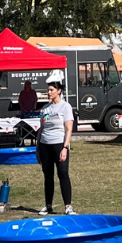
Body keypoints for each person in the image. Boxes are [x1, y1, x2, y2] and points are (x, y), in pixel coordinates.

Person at [38, 71, 75, 216]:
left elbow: (68, 128)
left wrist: (65, 147)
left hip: (59, 144)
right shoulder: (45, 108)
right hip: (45, 145)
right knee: (48, 175)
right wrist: (37, 149)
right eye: (47, 90)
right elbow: (41, 128)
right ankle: (48, 205)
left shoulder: (65, 107)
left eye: (51, 90)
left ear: (59, 91)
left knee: (63, 173)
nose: (48, 92)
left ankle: (68, 206)